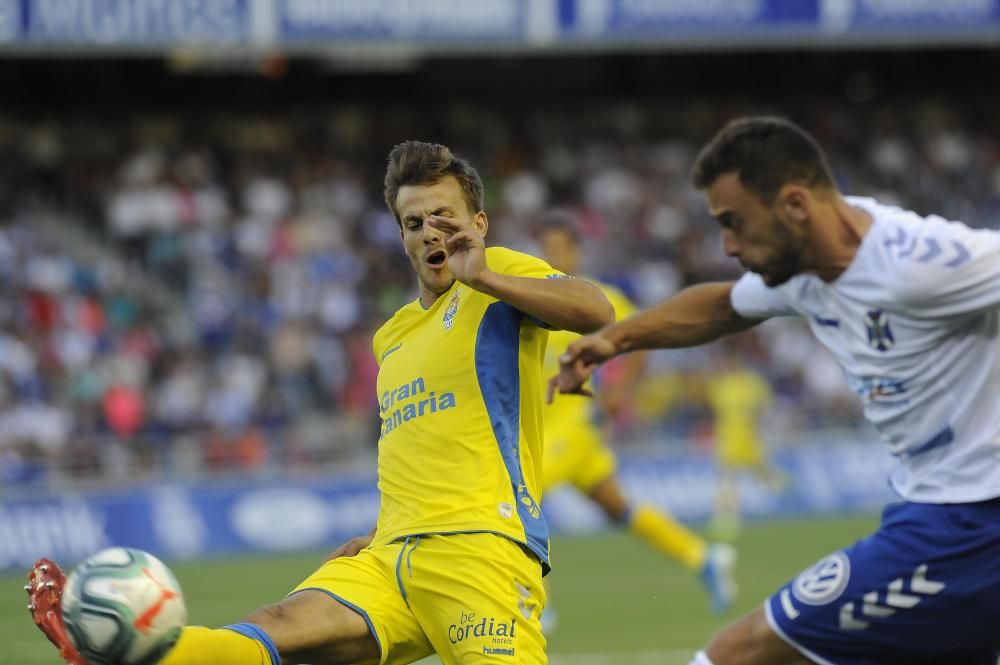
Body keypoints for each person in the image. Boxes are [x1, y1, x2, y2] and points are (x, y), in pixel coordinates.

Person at [27, 140, 614, 665]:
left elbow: (596, 312)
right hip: (390, 558)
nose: (431, 232)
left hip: (478, 549)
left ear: (479, 223)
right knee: (278, 628)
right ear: (402, 236)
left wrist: (486, 277)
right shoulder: (393, 335)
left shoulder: (501, 277)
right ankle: (110, 650)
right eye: (414, 223)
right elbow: (427, 442)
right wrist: (383, 529)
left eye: (445, 217)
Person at [548, 117, 1000, 665]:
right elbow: (720, 306)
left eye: (735, 223)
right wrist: (614, 338)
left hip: (968, 526)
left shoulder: (922, 266)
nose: (728, 245)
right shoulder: (807, 267)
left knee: (737, 653)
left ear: (794, 206)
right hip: (934, 511)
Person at [535, 213, 736, 617]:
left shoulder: (598, 298)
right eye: (546, 248)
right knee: (617, 508)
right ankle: (703, 557)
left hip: (573, 427)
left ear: (576, 250)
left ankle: (534, 602)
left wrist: (620, 392)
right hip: (543, 430)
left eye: (559, 248)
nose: (552, 256)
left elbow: (642, 338)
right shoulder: (534, 298)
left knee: (519, 495)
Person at [701, 345, 786, 541]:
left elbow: (765, 409)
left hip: (751, 439)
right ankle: (726, 520)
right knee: (726, 482)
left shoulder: (752, 383)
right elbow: (714, 410)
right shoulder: (720, 384)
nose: (728, 365)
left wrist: (763, 427)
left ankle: (786, 501)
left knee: (765, 475)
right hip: (728, 440)